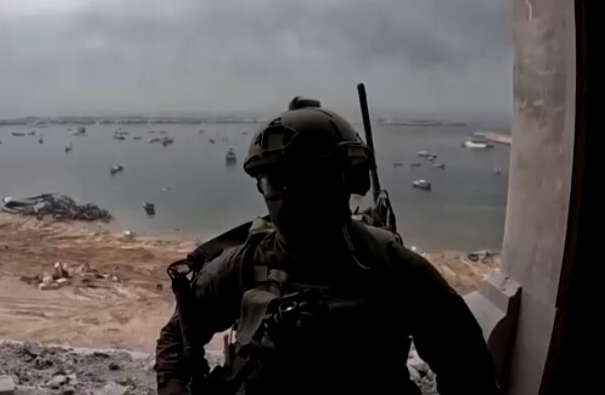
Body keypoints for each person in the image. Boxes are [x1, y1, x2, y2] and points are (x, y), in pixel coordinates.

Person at [154, 97, 498, 394]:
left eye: (306, 177)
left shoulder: (393, 268)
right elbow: (178, 336)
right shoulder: (247, 262)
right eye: (277, 179)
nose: (289, 195)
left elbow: (466, 367)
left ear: (346, 180)